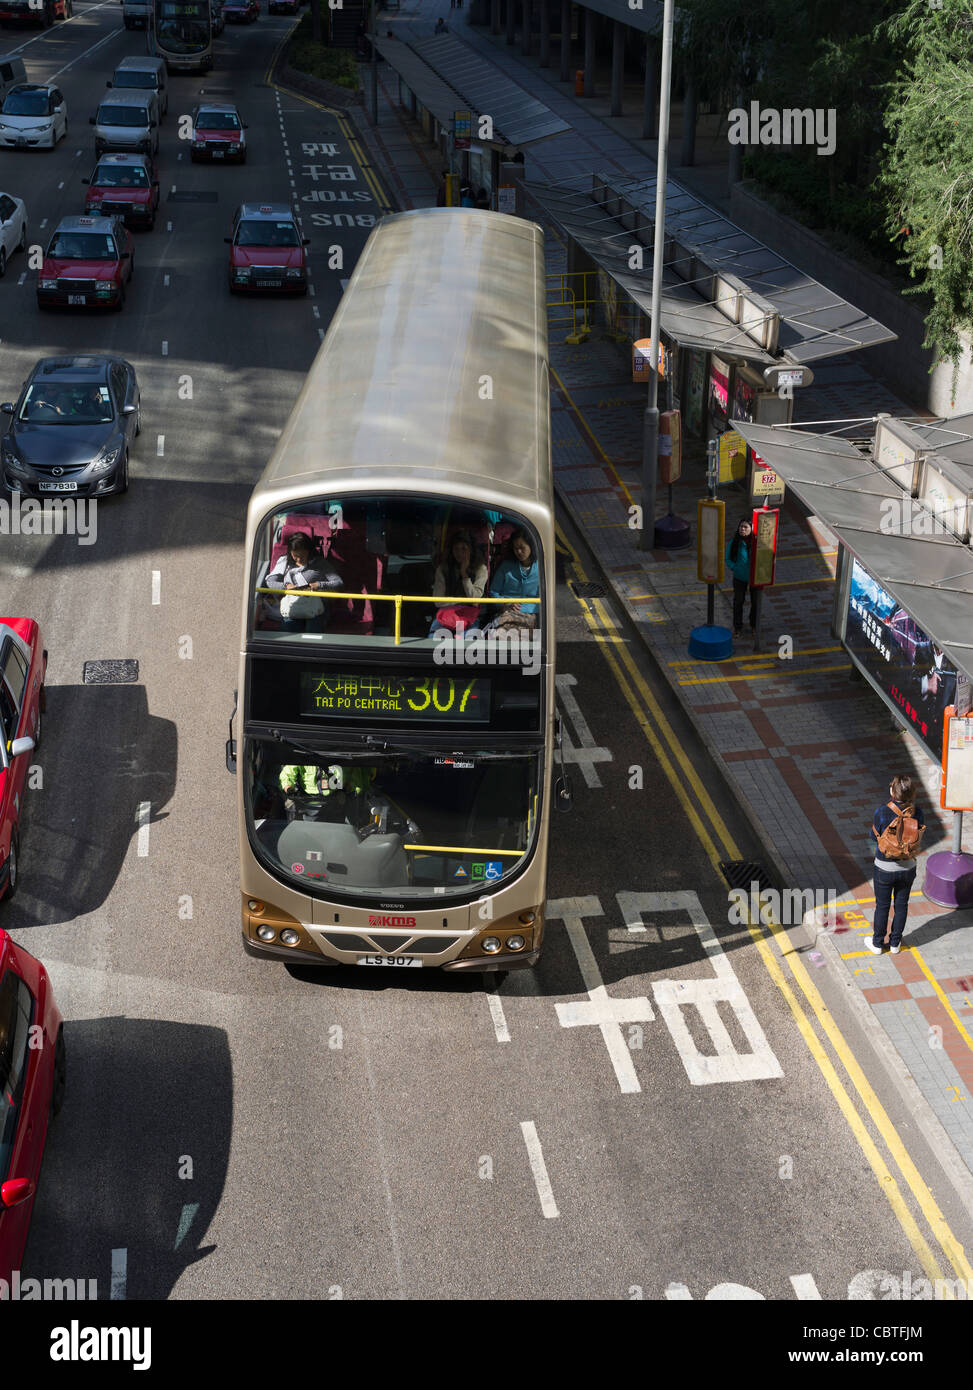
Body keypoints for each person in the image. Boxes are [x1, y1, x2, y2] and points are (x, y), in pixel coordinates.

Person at [867, 775, 926, 954]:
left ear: (893, 791)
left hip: (884, 867)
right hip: (908, 867)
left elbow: (873, 836)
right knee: (902, 905)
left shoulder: (882, 811)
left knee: (882, 906)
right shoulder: (918, 812)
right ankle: (895, 944)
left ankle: (877, 943)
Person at [264, 532, 343, 633]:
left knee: (312, 632)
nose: (299, 559)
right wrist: (286, 587)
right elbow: (270, 582)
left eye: (303, 555)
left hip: (315, 607)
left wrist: (319, 585)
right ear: (290, 552)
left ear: (309, 551)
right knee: (288, 632)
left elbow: (338, 582)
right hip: (292, 605)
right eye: (295, 555)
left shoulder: (319, 563)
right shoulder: (284, 561)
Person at [429, 529, 487, 634]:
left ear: (471, 550)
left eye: (464, 548)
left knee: (463, 642)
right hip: (446, 614)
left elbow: (475, 600)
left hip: (469, 614)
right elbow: (438, 601)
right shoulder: (443, 569)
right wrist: (461, 601)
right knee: (433, 639)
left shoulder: (480, 568)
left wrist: (464, 575)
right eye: (456, 549)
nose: (459, 553)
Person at [486, 528, 539, 629]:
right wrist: (507, 603)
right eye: (515, 548)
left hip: (529, 614)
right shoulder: (506, 567)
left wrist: (526, 608)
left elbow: (545, 599)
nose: (518, 551)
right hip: (505, 611)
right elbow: (493, 593)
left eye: (522, 547)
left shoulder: (541, 569)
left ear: (531, 546)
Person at [725, 518, 760, 637]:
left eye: (746, 527)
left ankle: (754, 625)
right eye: (741, 527)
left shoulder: (757, 542)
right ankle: (737, 627)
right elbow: (727, 558)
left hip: (755, 578)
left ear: (752, 529)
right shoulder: (734, 542)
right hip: (739, 577)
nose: (743, 529)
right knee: (738, 602)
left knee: (756, 602)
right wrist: (734, 567)